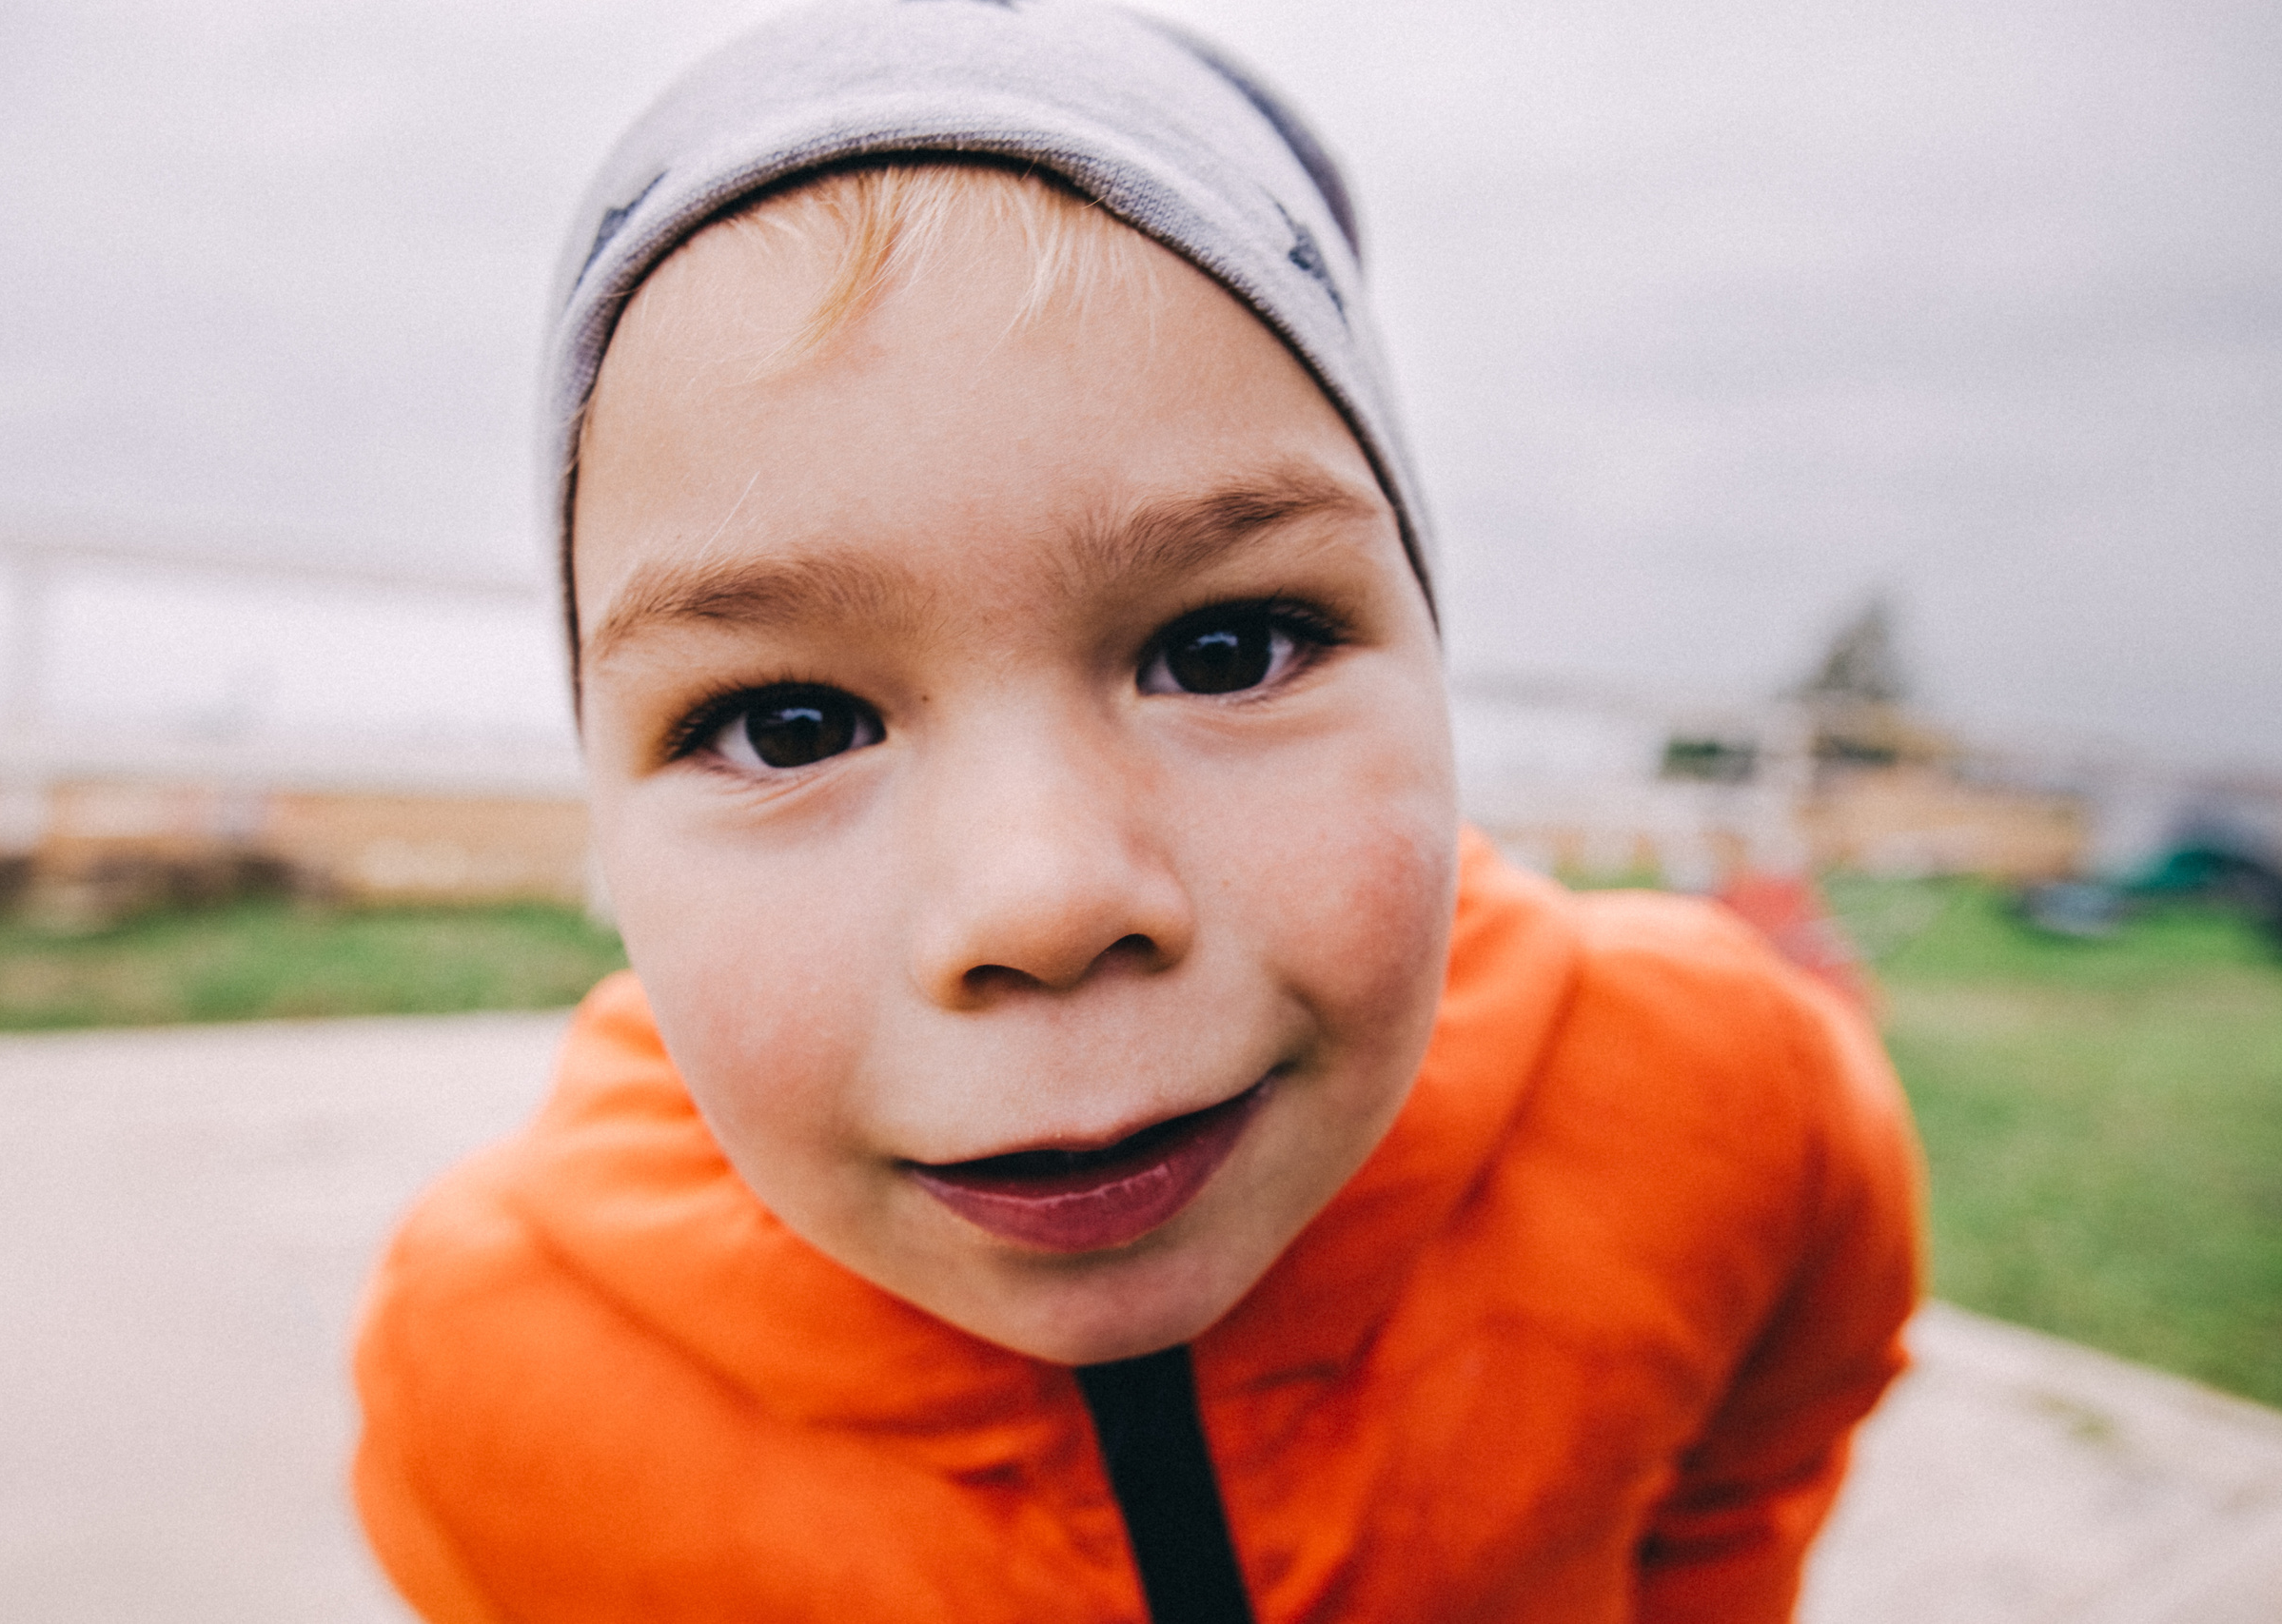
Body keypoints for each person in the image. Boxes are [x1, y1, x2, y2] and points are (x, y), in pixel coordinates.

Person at [350, 3, 1923, 1619]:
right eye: (790, 723)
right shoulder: (490, 1368)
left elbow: (1765, 1442)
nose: (1043, 897)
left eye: (1222, 649)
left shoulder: (1728, 1104)